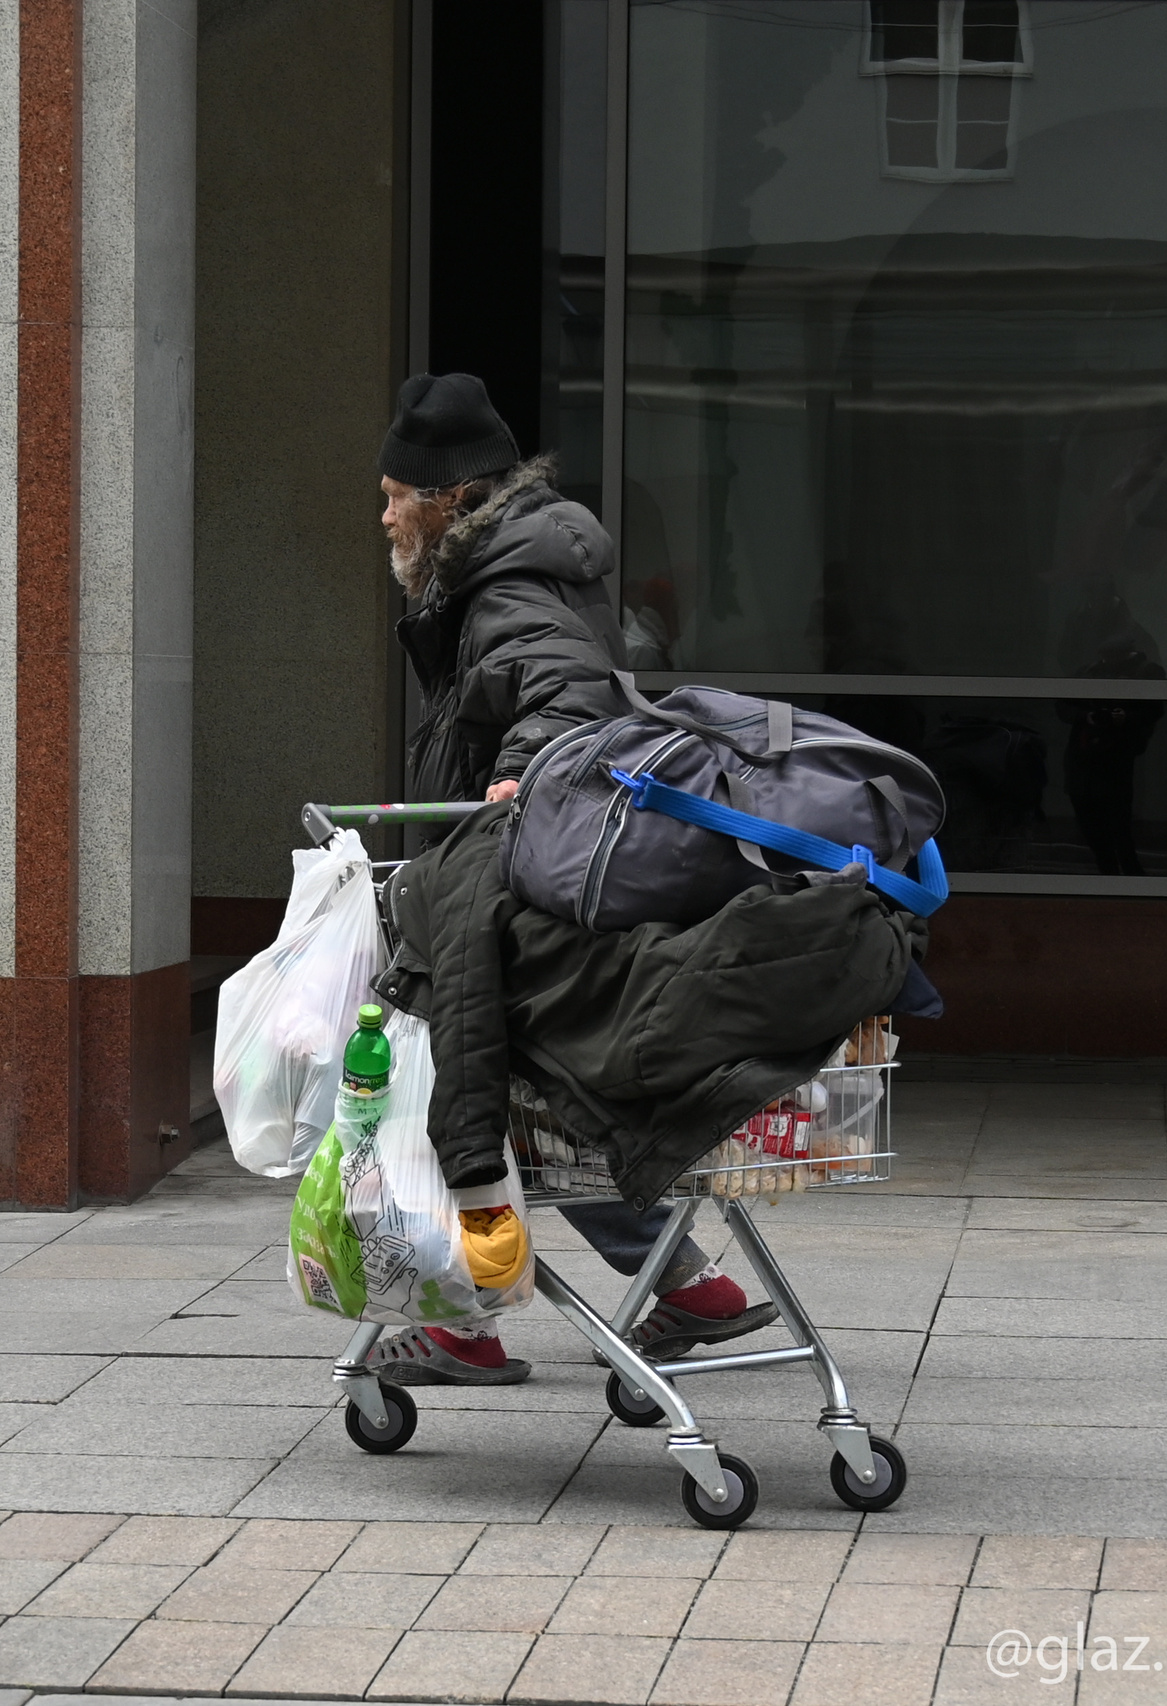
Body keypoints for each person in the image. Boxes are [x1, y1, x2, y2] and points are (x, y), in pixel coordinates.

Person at [364, 372, 779, 1387]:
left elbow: (560, 686)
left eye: (391, 496)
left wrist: (527, 771)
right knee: (531, 1100)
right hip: (507, 881)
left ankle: (462, 1315)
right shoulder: (510, 569)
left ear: (449, 495)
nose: (381, 517)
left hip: (500, 889)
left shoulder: (508, 585)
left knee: (456, 1087)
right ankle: (682, 1286)